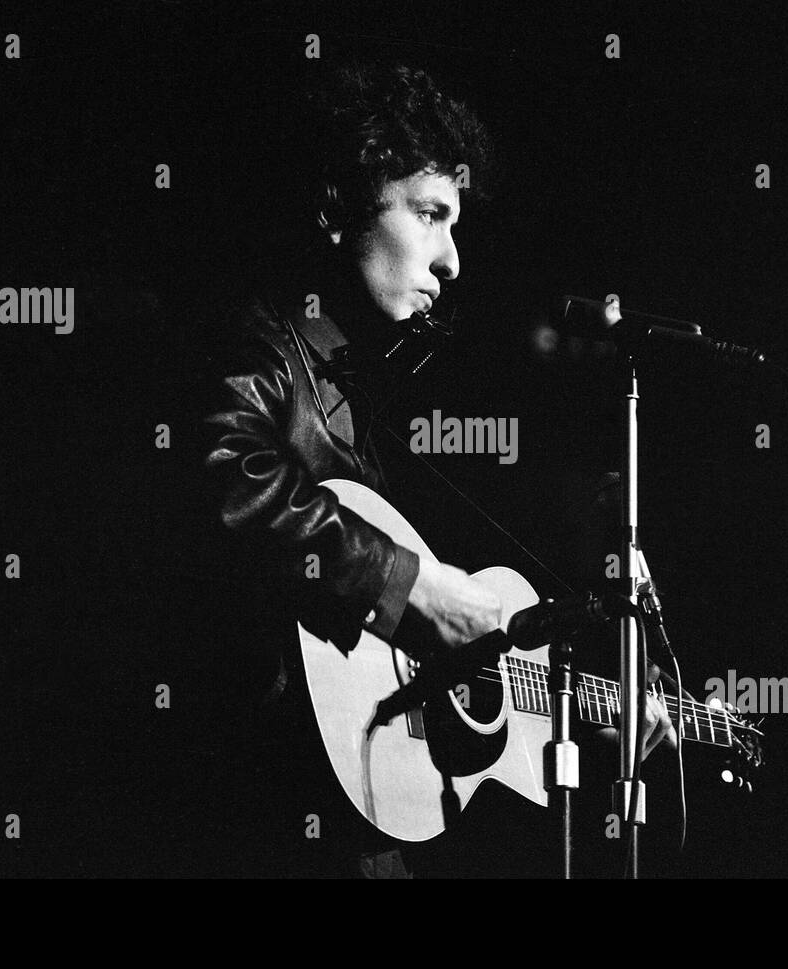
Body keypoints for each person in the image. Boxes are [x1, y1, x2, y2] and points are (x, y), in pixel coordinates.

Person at [201, 62, 674, 877]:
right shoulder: (255, 346)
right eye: (428, 216)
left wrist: (572, 705)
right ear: (336, 210)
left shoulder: (352, 394)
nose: (452, 260)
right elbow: (225, 482)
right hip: (253, 809)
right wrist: (409, 587)